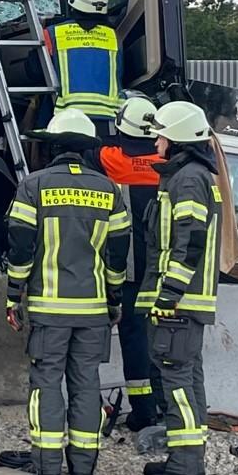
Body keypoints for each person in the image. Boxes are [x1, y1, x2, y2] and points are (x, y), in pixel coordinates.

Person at [3, 110, 132, 475]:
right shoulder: (109, 190)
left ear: (53, 146)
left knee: (46, 383)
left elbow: (20, 247)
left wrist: (13, 295)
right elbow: (117, 255)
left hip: (48, 311)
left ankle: (46, 470)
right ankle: (82, 470)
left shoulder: (33, 186)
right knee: (87, 384)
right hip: (93, 312)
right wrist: (114, 299)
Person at [142, 100, 221, 475]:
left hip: (180, 303)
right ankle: (185, 459)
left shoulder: (187, 179)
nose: (156, 142)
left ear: (176, 138)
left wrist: (169, 293)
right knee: (188, 380)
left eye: (161, 135)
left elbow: (189, 241)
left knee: (176, 382)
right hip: (189, 303)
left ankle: (186, 468)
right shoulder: (194, 175)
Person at [98, 95, 165, 441]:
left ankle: (143, 412)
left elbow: (94, 148)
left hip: (128, 273)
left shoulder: (112, 160)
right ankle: (165, 407)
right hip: (163, 272)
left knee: (134, 342)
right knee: (164, 343)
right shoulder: (166, 163)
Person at [44, 0, 122, 132]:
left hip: (66, 120)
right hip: (109, 122)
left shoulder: (52, 34)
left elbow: (34, 71)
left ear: (73, 1)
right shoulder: (114, 37)